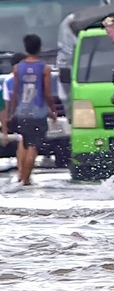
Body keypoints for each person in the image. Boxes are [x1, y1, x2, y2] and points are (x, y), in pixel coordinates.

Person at [10, 36, 58, 185]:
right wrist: (52, 110)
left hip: (22, 111)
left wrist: (12, 111)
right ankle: (26, 179)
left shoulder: (17, 68)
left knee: (24, 142)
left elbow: (15, 93)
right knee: (33, 145)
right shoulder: (44, 68)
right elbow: (47, 93)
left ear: (25, 48)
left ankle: (21, 175)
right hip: (38, 112)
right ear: (40, 48)